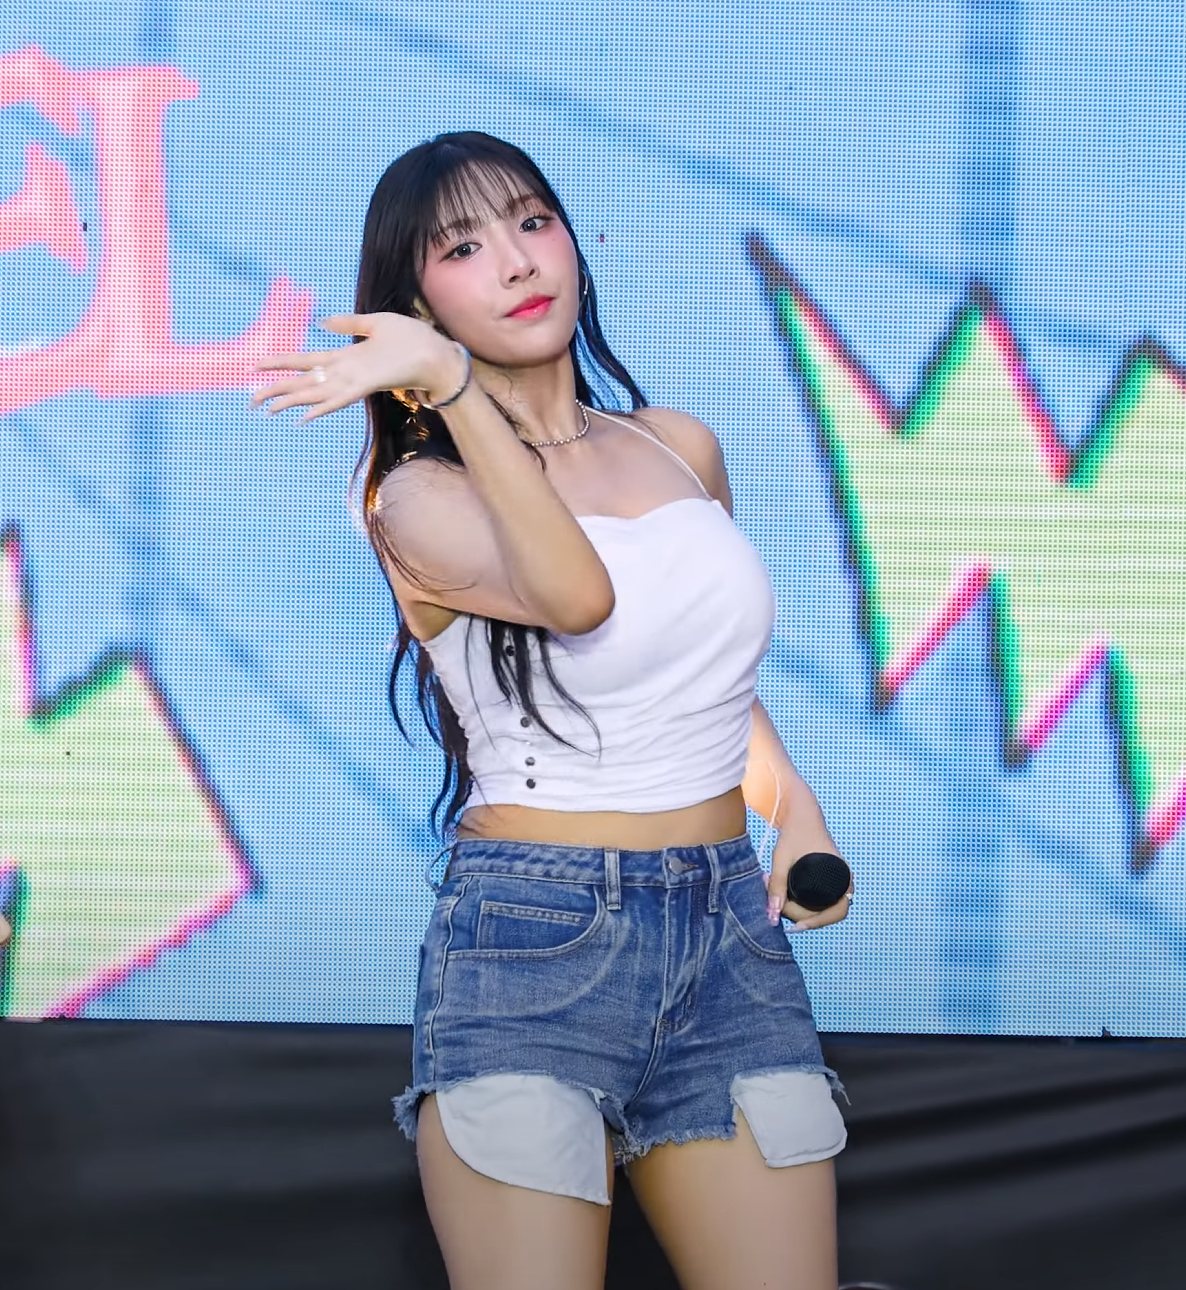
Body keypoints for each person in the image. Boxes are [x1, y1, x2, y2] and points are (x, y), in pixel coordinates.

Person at [252, 131, 853, 1290]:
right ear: (414, 309)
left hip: (729, 931)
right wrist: (455, 393)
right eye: (462, 248)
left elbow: (706, 680)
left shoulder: (679, 446)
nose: (519, 262)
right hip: (535, 941)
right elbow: (578, 598)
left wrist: (798, 811)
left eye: (532, 222)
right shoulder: (413, 497)